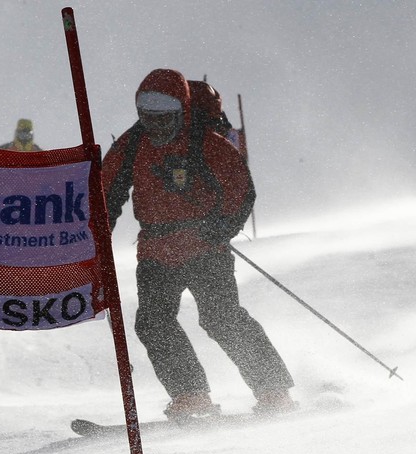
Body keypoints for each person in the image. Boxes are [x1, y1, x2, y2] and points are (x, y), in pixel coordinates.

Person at [102, 68, 296, 418]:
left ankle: (273, 390)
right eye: (147, 117)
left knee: (221, 317)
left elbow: (240, 190)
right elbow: (107, 189)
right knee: (153, 321)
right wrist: (97, 230)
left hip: (205, 248)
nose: (155, 126)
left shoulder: (205, 142)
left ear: (181, 111)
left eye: (164, 119)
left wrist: (220, 229)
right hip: (156, 250)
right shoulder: (133, 143)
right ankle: (191, 395)